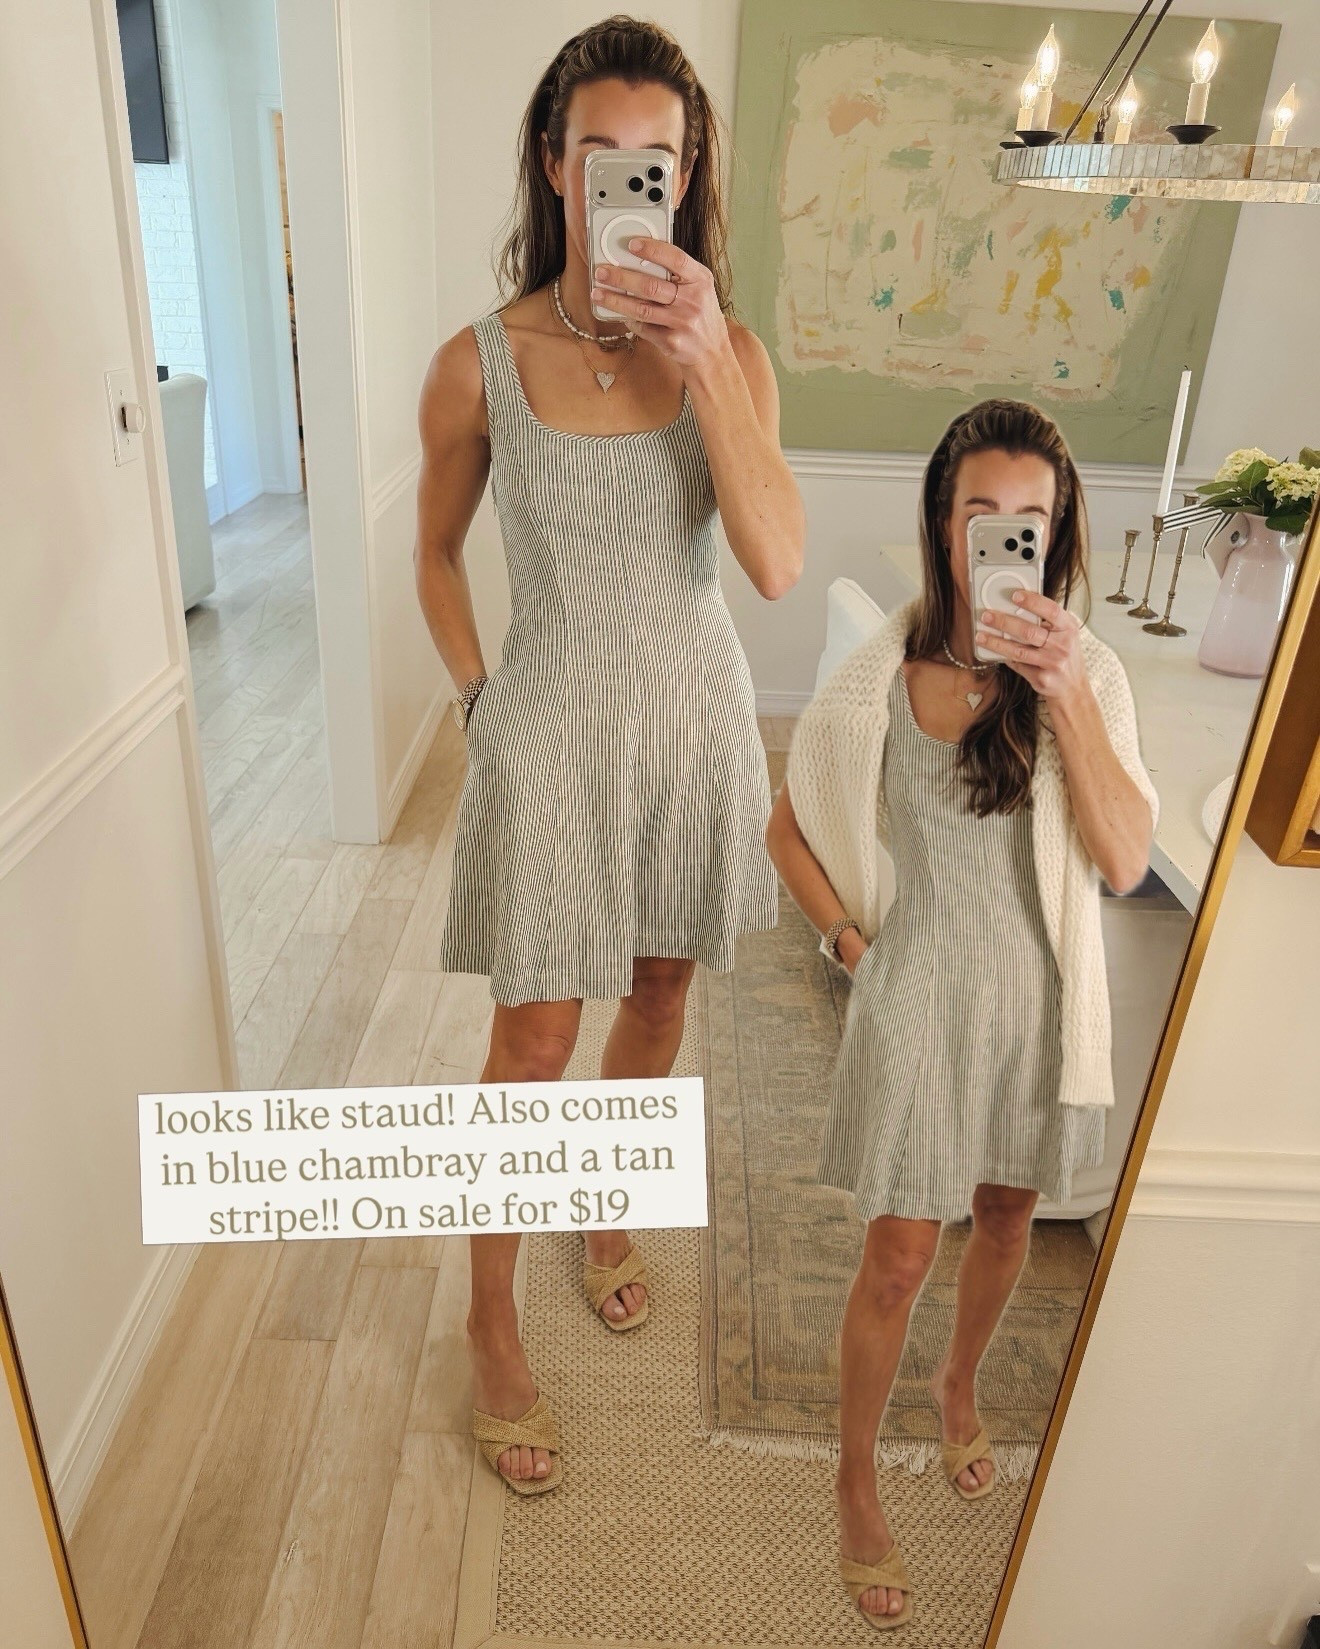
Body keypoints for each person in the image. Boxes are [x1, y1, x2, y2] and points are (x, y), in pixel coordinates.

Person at [413, 15, 805, 1497]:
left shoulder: (733, 354)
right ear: (554, 162)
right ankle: (489, 1313)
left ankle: (605, 1202)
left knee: (658, 995)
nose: (630, 181)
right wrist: (480, 702)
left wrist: (706, 364)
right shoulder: (477, 366)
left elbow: (774, 564)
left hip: (692, 726)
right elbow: (434, 556)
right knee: (531, 1044)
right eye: (601, 155)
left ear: (686, 174)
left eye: (659, 159)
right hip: (552, 736)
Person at [766, 400, 1157, 1628]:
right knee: (896, 1256)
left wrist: (1064, 693)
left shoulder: (1089, 677)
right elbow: (788, 827)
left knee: (1004, 1218)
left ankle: (959, 1384)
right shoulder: (878, 679)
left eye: (1028, 521)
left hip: (1037, 1011)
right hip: (920, 1001)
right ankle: (854, 1473)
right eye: (980, 514)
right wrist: (849, 943)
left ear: (1059, 534)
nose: (1003, 540)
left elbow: (1124, 858)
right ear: (942, 523)